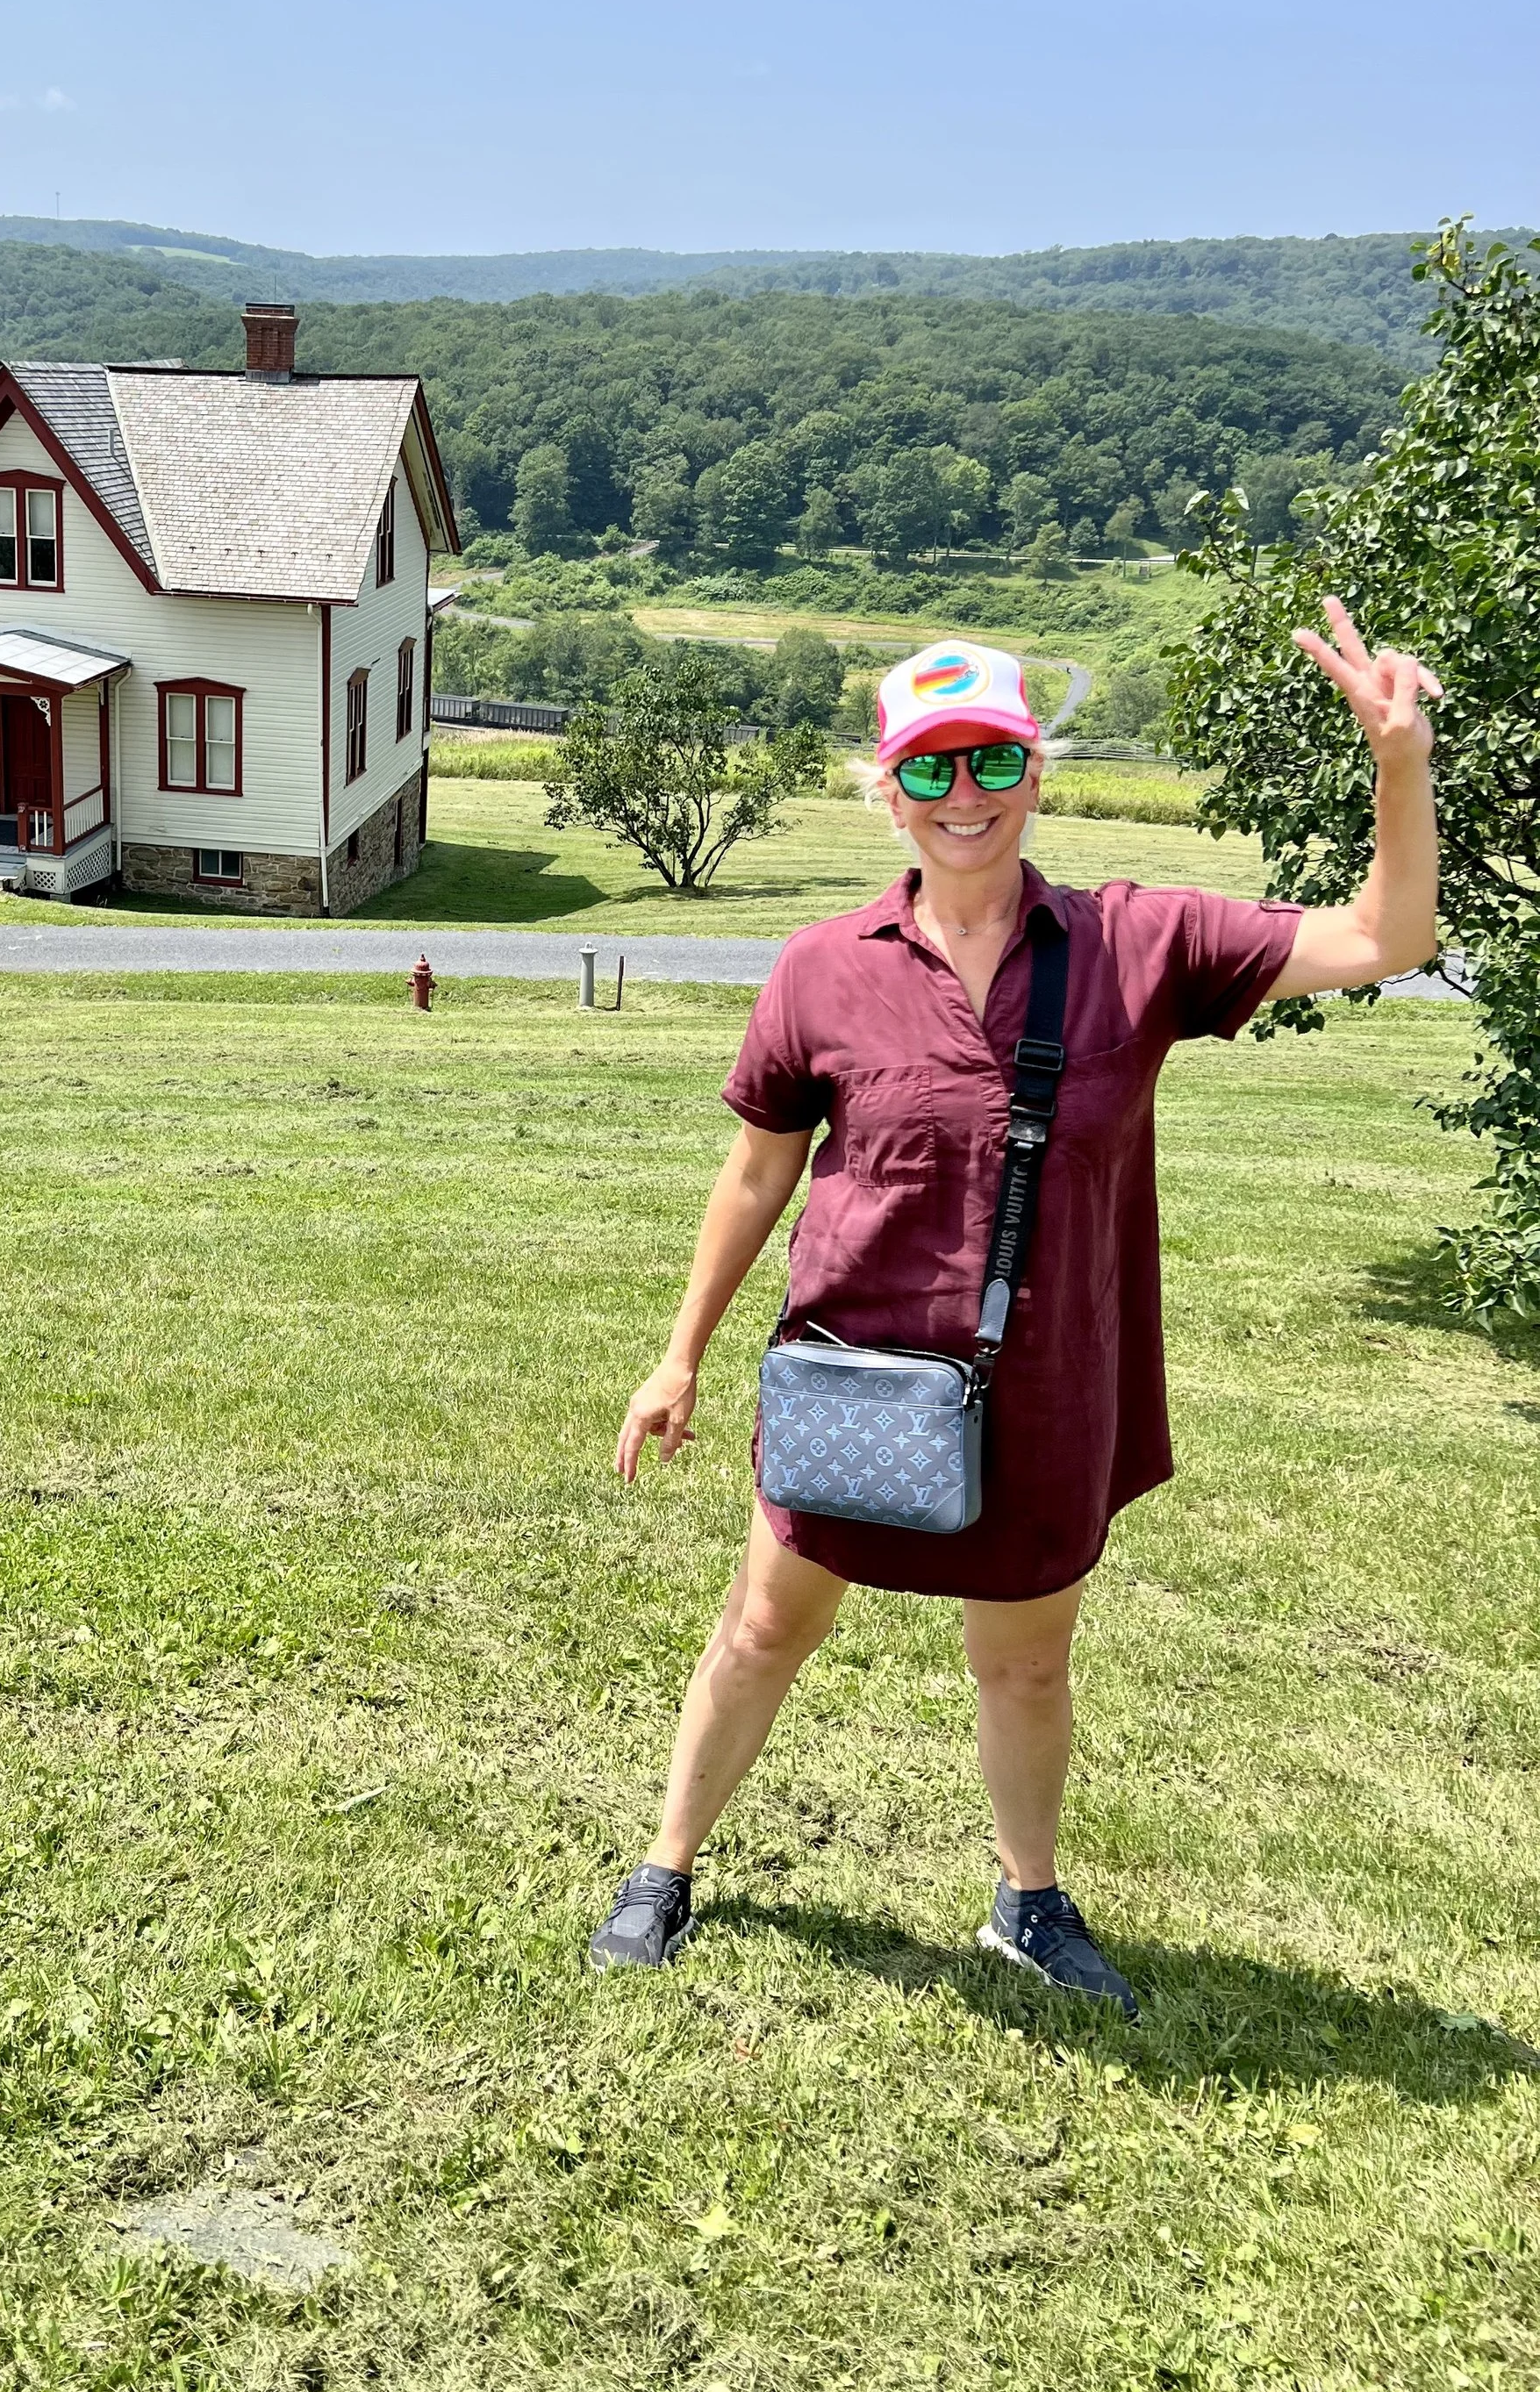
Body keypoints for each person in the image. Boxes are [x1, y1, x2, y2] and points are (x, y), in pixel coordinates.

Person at [591, 605, 1440, 2012]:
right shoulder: (821, 967)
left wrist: (1395, 762)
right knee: (760, 1628)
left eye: (989, 760)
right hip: (853, 1377)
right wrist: (675, 1358)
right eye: (927, 769)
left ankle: (1028, 1903)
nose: (963, 797)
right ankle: (668, 1864)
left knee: (1025, 1671)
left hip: (1046, 1385)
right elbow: (757, 1174)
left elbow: (1386, 937)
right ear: (885, 789)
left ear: (1038, 769)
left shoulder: (1141, 942)